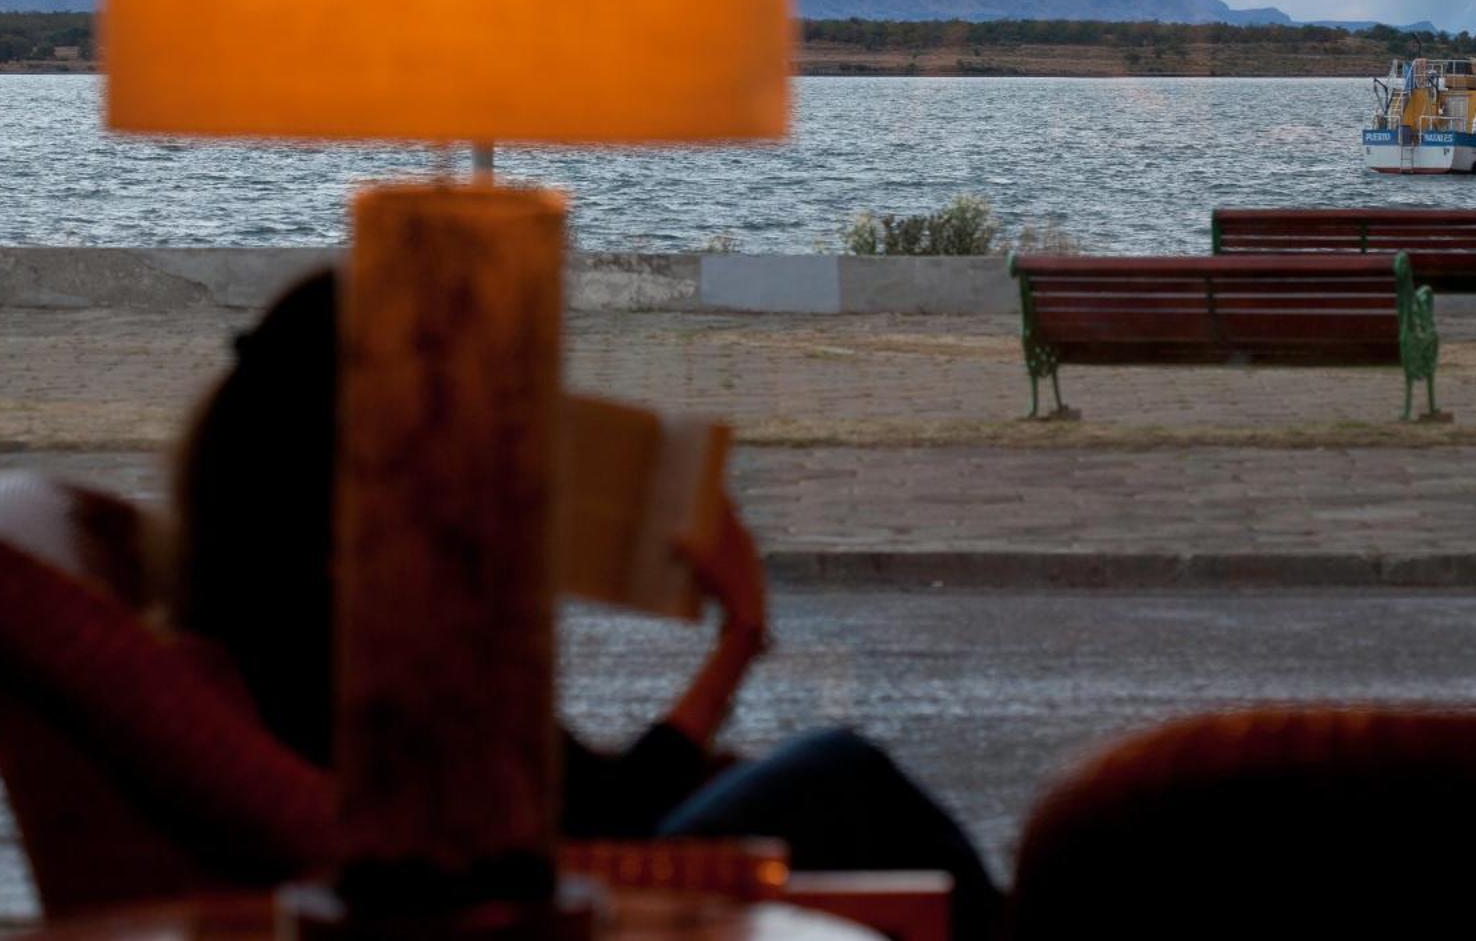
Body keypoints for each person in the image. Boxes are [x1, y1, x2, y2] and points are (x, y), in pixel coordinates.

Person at [169, 269, 1001, 939]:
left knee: (821, 783)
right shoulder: (374, 648)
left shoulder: (279, 604)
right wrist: (739, 632)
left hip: (567, 878)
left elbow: (592, 797)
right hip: (576, 902)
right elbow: (610, 817)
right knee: (840, 771)